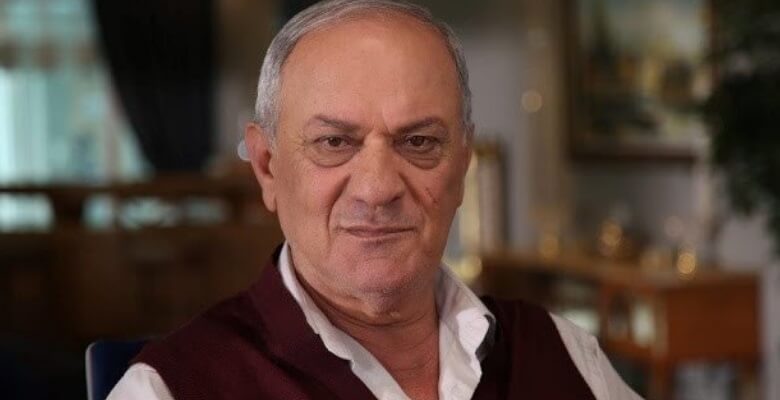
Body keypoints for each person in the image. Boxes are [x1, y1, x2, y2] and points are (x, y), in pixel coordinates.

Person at [108, 0, 641, 399]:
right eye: (334, 143)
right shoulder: (168, 390)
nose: (377, 188)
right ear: (267, 167)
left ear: (461, 167)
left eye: (419, 142)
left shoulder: (567, 356)